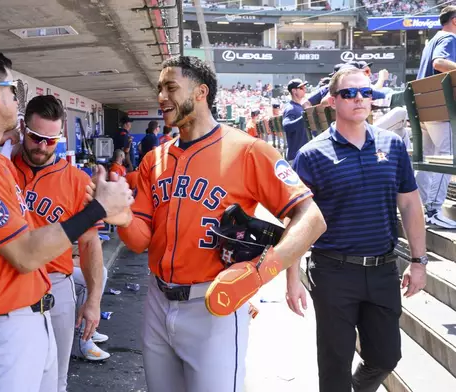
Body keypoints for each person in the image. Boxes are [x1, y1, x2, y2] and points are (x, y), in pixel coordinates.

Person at [117, 55, 327, 392]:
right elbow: (139, 241)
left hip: (213, 302)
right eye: (159, 89)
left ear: (200, 92)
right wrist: (120, 215)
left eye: (171, 87)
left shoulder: (248, 151)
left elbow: (312, 219)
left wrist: (262, 271)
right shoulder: (153, 159)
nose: (161, 97)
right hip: (157, 298)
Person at [0, 49, 133, 392]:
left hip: (31, 317)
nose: (17, 98)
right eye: (13, 90)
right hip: (0, 329)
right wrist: (97, 208)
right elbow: (25, 254)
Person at [289, 67, 428, 392]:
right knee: (334, 366)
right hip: (332, 272)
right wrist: (291, 277)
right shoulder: (311, 155)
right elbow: (297, 220)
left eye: (366, 92)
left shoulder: (393, 146)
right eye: (350, 93)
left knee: (386, 357)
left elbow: (409, 204)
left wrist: (419, 262)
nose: (360, 99)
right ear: (333, 101)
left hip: (382, 270)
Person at [10, 95, 111, 390]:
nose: (41, 147)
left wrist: (93, 301)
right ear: (22, 128)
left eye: (50, 141)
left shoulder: (78, 182)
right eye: (35, 137)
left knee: (55, 381)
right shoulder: (0, 168)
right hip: (9, 282)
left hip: (55, 284)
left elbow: (91, 244)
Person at [415, 5, 456, 228]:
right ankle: (433, 210)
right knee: (447, 155)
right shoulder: (449, 38)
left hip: (425, 109)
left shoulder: (431, 40)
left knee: (427, 160)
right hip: (439, 109)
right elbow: (439, 63)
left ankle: (417, 206)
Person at [282, 78, 310, 163]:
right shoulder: (291, 108)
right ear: (294, 91)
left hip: (302, 155)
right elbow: (287, 126)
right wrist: (305, 117)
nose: (304, 90)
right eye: (301, 88)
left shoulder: (298, 106)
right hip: (296, 157)